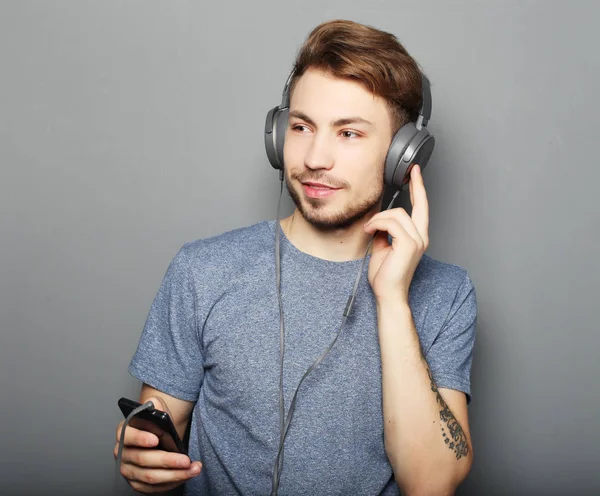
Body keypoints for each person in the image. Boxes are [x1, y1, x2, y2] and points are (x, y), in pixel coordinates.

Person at [114, 19, 477, 496]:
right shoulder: (202, 271)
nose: (314, 157)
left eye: (349, 134)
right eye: (302, 127)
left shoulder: (446, 295)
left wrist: (392, 300)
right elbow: (157, 439)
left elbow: (429, 484)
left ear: (402, 156)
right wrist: (144, 460)